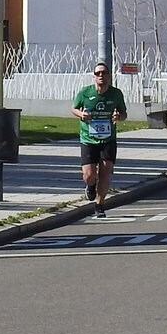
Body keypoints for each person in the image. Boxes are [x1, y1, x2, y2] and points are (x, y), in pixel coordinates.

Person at [71, 62, 128, 218]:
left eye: (104, 73)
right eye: (98, 73)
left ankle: (100, 204)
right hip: (88, 138)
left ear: (109, 76)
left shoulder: (116, 94)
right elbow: (74, 108)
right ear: (94, 76)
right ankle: (90, 186)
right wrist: (81, 114)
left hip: (108, 139)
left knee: (105, 172)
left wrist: (119, 117)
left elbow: (123, 113)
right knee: (89, 175)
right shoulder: (85, 92)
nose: (101, 76)